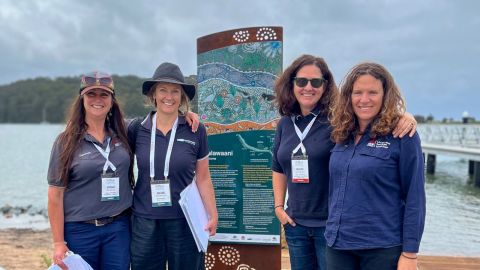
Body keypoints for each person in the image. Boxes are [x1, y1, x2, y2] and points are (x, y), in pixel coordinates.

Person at [272, 55, 417, 270]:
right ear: (291, 84)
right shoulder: (285, 124)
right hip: (296, 222)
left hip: (330, 226)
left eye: (316, 82)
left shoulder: (337, 121)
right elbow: (278, 166)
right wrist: (278, 207)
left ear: (326, 86)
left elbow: (367, 116)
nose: (308, 87)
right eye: (301, 81)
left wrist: (405, 116)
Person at [326, 62, 426, 270]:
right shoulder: (340, 134)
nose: (364, 99)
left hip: (381, 248)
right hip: (338, 244)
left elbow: (415, 197)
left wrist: (410, 254)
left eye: (372, 92)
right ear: (348, 96)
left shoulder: (402, 136)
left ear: (385, 95)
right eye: (358, 92)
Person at [129, 62, 218, 270]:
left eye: (175, 91)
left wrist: (212, 214)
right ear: (153, 95)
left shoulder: (195, 130)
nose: (169, 96)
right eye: (163, 90)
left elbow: (203, 177)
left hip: (185, 221)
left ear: (182, 97)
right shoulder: (136, 129)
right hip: (145, 221)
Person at [47, 71, 133, 270]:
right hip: (79, 231)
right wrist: (59, 242)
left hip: (118, 228)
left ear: (112, 101)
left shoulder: (123, 132)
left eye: (104, 95)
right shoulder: (65, 141)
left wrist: (185, 113)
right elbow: (55, 195)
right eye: (91, 94)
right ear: (82, 99)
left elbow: (155, 124)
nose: (97, 100)